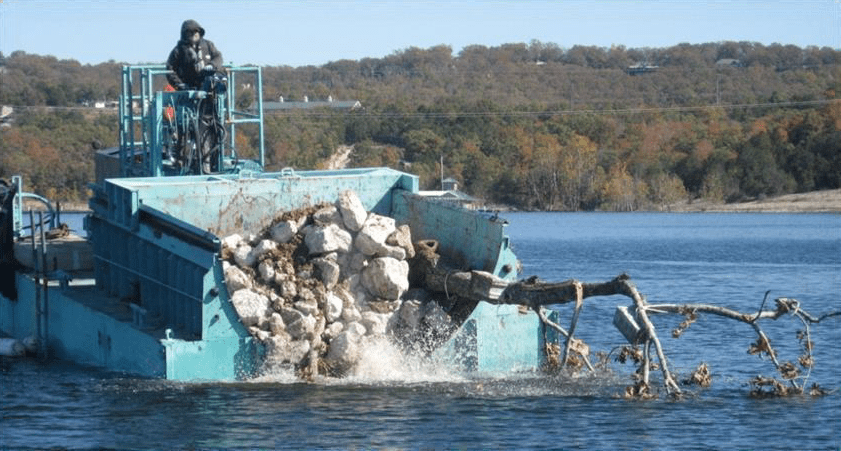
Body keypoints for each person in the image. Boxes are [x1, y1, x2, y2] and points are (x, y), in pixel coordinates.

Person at [166, 19, 223, 90]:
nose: (194, 34)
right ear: (184, 34)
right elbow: (170, 69)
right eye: (190, 32)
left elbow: (218, 56)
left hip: (208, 87)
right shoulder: (178, 50)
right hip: (188, 88)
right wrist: (180, 84)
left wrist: (212, 65)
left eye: (196, 31)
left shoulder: (208, 45)